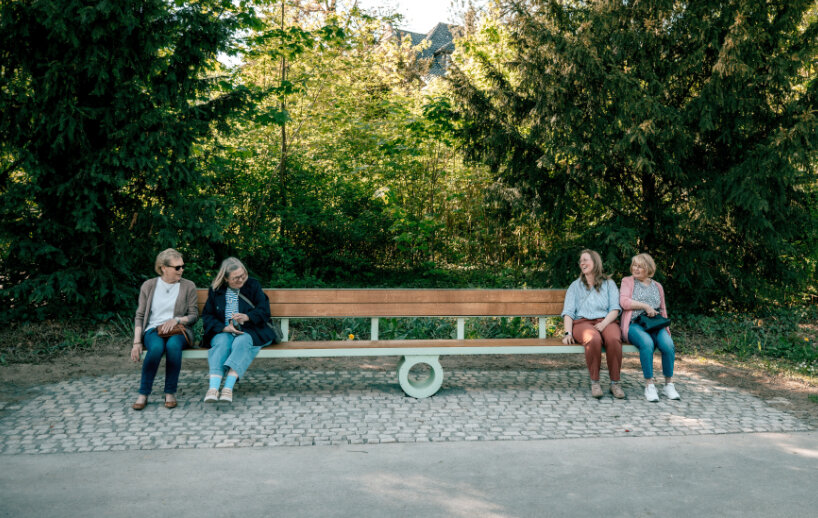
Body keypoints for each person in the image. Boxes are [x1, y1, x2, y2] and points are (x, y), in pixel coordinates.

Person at [201, 257, 276, 403]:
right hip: (223, 331)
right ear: (226, 279)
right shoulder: (216, 290)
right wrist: (224, 328)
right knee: (222, 343)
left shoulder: (252, 285)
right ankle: (213, 388)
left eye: (243, 275)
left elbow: (264, 311)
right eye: (236, 278)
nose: (241, 280)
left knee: (242, 341)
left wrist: (248, 317)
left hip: (250, 331)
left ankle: (228, 388)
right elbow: (207, 315)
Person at [131, 248, 198, 410]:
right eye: (177, 267)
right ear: (163, 268)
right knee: (155, 348)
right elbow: (140, 316)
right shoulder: (149, 286)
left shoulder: (188, 286)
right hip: (154, 330)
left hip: (178, 330)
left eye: (182, 266)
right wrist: (137, 342)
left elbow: (194, 315)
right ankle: (143, 393)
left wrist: (176, 320)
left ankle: (170, 392)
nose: (181, 270)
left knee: (173, 346)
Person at [561, 249, 624, 399]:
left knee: (614, 339)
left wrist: (604, 324)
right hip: (582, 323)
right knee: (593, 339)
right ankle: (595, 382)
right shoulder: (575, 286)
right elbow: (568, 312)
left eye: (585, 260)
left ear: (595, 262)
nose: (582, 263)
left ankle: (615, 383)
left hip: (607, 321)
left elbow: (615, 308)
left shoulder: (609, 284)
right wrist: (567, 333)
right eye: (580, 261)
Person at [619, 253, 680, 402]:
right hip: (635, 324)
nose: (636, 268)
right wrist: (645, 306)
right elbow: (624, 302)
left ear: (648, 269)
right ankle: (649, 385)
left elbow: (663, 308)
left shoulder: (657, 286)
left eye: (640, 266)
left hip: (655, 324)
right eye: (634, 265)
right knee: (647, 343)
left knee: (668, 344)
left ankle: (668, 385)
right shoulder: (627, 281)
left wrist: (666, 329)